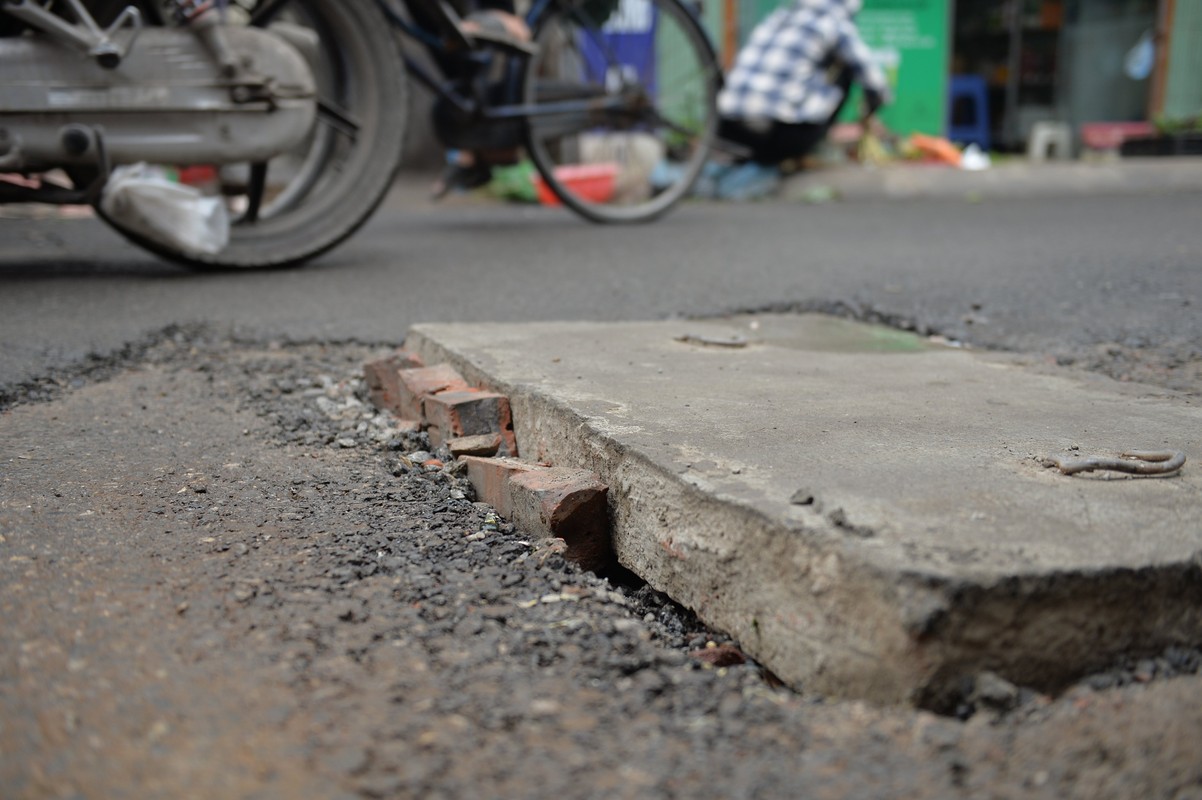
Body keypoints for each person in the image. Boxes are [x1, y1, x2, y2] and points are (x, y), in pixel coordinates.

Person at [709, 0, 890, 199]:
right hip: (776, 132)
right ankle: (803, 151)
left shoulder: (780, 16)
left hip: (725, 124)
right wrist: (871, 108)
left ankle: (744, 163)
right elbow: (875, 83)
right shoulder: (835, 23)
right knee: (846, 71)